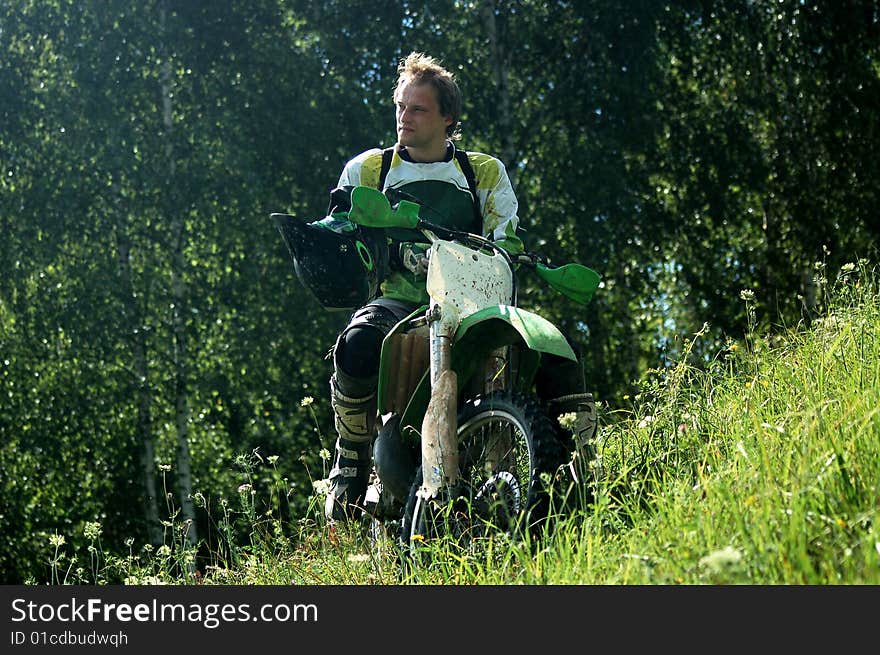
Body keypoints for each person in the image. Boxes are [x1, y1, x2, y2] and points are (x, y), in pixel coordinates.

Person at [323, 51, 583, 522]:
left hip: (472, 299)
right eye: (400, 106)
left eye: (417, 108)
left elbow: (504, 230)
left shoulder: (481, 171)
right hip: (402, 299)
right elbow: (342, 227)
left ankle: (574, 464)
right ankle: (352, 452)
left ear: (447, 118)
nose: (404, 117)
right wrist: (387, 249)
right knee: (358, 344)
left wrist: (504, 250)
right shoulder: (369, 170)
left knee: (555, 353)